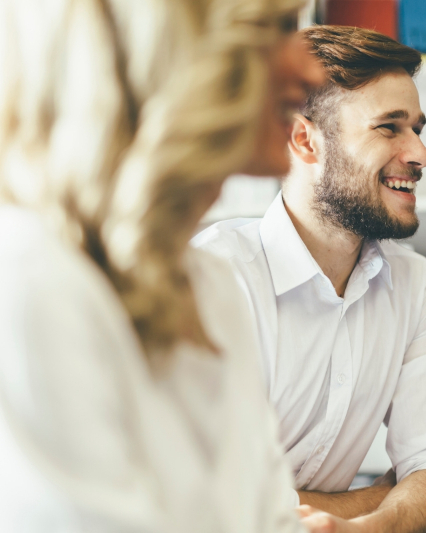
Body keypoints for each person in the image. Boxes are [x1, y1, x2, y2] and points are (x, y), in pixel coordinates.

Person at [0, 0, 362, 531]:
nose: (311, 72)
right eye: (278, 28)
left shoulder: (209, 284)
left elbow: (265, 517)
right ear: (170, 50)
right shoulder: (33, 287)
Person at [193, 25, 426, 531]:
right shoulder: (215, 279)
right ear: (305, 140)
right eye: (389, 128)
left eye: (417, 128)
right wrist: (378, 498)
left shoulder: (413, 282)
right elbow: (208, 505)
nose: (421, 154)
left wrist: (377, 526)